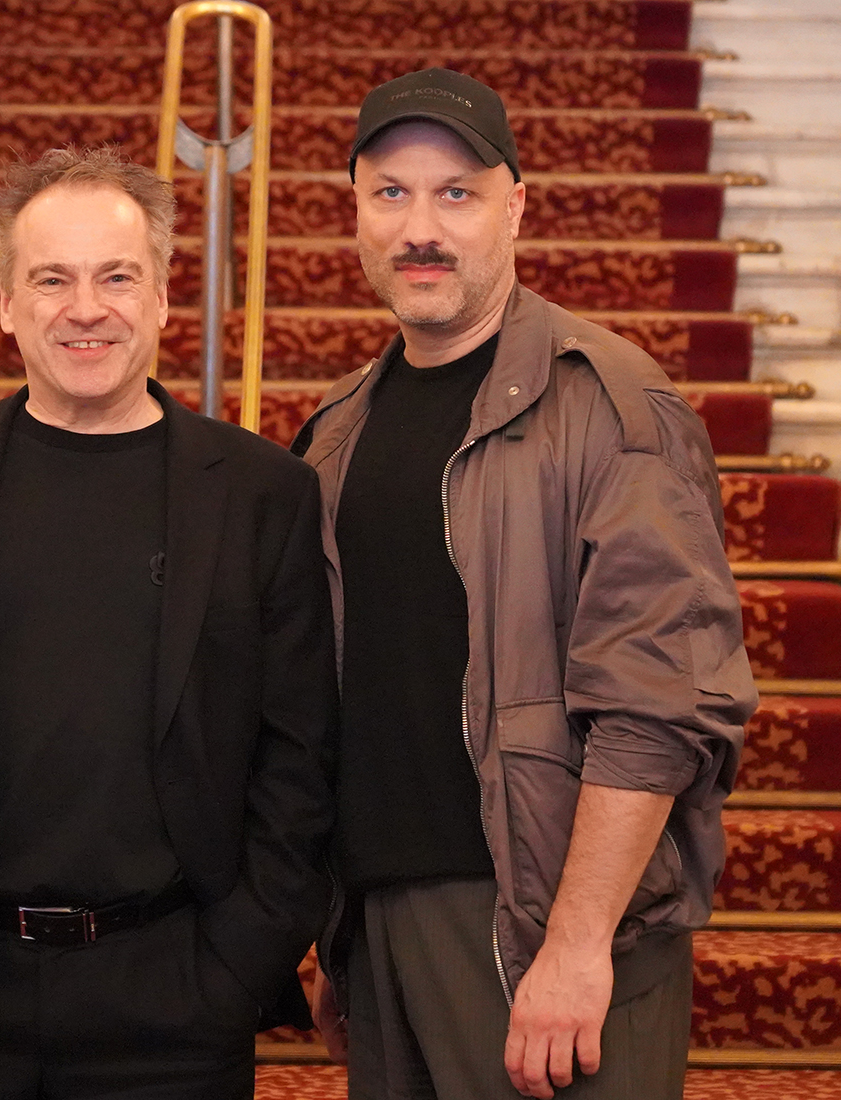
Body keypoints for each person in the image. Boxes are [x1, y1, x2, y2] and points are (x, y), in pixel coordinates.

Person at [0, 145, 339, 1100]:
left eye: (116, 277)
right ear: (6, 303)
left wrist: (236, 966)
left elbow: (298, 759)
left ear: (163, 297)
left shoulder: (264, 494)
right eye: (51, 279)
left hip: (173, 1005)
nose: (85, 308)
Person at [293, 69, 758, 1100]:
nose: (421, 228)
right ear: (356, 213)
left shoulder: (612, 406)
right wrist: (345, 934)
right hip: (385, 928)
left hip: (547, 927)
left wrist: (579, 941)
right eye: (390, 193)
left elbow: (660, 702)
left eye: (457, 193)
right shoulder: (336, 432)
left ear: (515, 208)